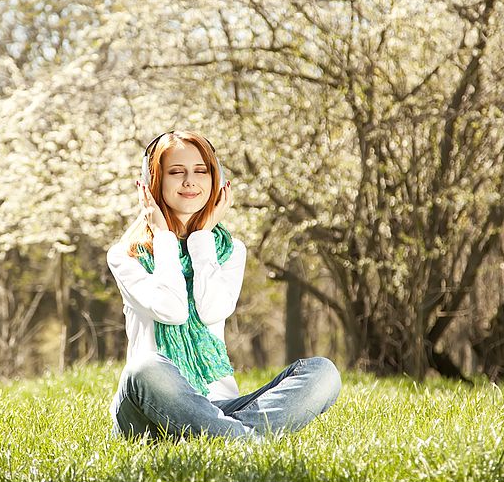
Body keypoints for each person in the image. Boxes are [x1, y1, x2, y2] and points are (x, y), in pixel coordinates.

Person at [106, 130, 341, 441]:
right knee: (145, 367)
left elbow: (211, 310)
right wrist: (162, 236)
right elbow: (172, 311)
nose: (190, 181)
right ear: (153, 183)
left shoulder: (230, 251)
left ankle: (227, 436)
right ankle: (247, 440)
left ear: (215, 181)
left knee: (323, 374)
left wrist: (201, 237)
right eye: (176, 172)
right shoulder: (127, 253)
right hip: (148, 411)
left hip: (218, 406)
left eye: (200, 171)